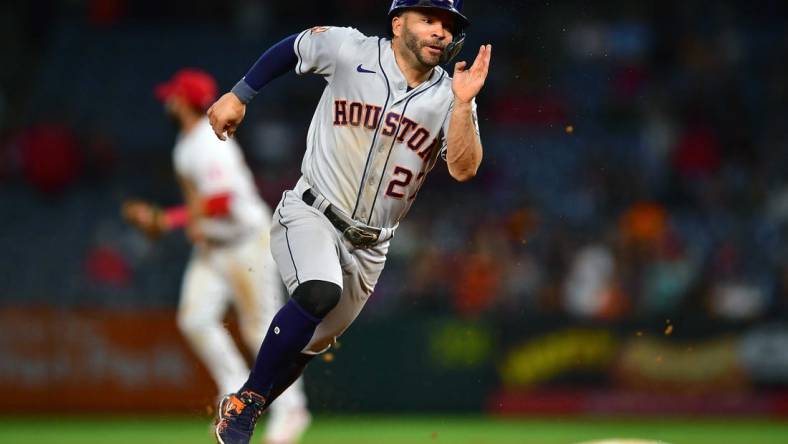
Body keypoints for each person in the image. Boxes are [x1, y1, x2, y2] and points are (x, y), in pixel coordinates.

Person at [208, 1, 491, 442]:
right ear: (398, 24)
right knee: (319, 292)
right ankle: (244, 410)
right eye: (429, 19)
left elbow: (464, 167)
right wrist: (239, 93)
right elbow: (293, 48)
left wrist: (462, 105)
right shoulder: (350, 48)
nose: (440, 31)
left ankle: (244, 402)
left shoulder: (449, 95)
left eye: (449, 25)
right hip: (312, 211)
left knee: (308, 344)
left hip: (372, 246)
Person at [122, 68, 311, 444]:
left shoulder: (208, 143)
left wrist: (167, 219)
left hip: (246, 241)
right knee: (195, 320)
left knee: (260, 329)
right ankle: (233, 392)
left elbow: (221, 200)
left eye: (174, 95)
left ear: (183, 101)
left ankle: (292, 410)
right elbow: (204, 204)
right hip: (214, 246)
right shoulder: (187, 141)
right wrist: (185, 222)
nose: (169, 101)